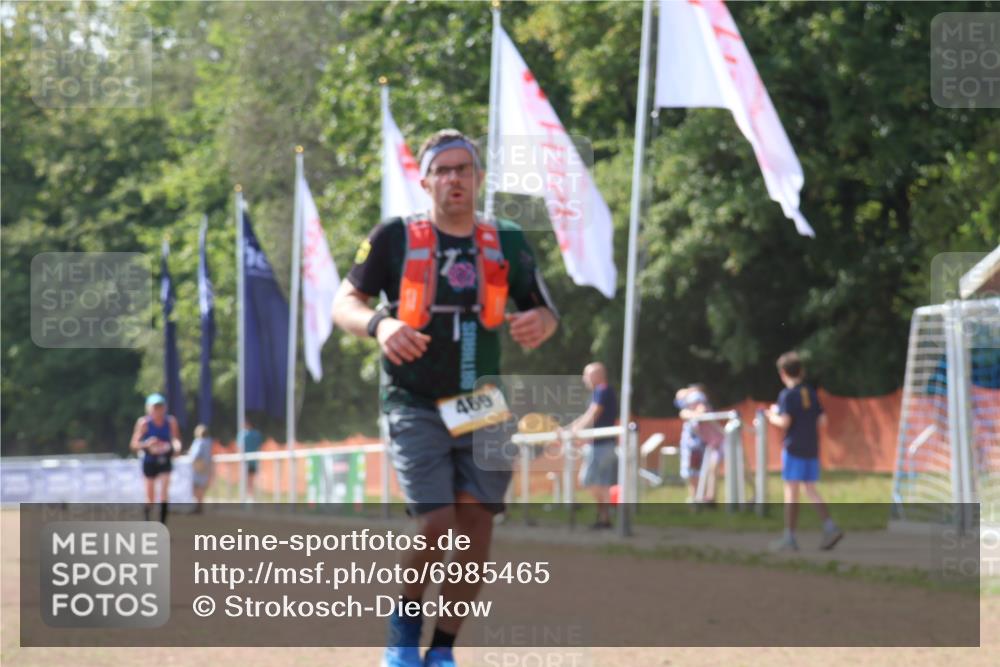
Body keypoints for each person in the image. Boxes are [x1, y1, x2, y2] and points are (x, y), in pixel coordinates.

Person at [332, 129, 559, 667]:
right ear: (426, 179)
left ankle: (443, 650)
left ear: (478, 179)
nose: (455, 178)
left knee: (477, 520)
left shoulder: (506, 239)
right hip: (413, 401)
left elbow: (546, 309)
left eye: (464, 169)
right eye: (445, 170)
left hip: (482, 401)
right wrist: (379, 326)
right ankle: (403, 629)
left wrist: (539, 324)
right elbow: (344, 301)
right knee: (436, 523)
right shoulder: (394, 237)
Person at [765, 351, 843, 551]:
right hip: (811, 448)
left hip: (793, 449)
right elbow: (822, 420)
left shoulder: (787, 395)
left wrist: (771, 415)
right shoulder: (810, 392)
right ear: (802, 371)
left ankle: (789, 537)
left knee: (791, 492)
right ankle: (830, 526)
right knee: (810, 489)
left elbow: (785, 421)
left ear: (783, 373)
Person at [565, 362, 618, 529]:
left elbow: (593, 414)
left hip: (601, 446)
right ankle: (604, 518)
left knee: (590, 481)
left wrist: (575, 431)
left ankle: (605, 515)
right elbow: (588, 415)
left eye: (586, 374)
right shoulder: (600, 392)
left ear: (597, 375)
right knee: (600, 483)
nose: (584, 379)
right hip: (602, 445)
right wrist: (570, 429)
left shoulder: (602, 390)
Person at [129, 393, 182, 523]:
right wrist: (147, 444)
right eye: (155, 407)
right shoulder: (144, 423)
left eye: (160, 406)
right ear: (149, 408)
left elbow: (176, 439)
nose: (158, 410)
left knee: (164, 492)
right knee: (150, 496)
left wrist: (177, 447)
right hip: (149, 461)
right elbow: (134, 445)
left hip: (164, 459)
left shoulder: (170, 421)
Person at [674, 384, 724, 505]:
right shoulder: (686, 409)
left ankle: (706, 499)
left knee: (705, 472)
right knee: (692, 473)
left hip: (703, 445)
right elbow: (679, 398)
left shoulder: (703, 406)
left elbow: (702, 411)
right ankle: (695, 499)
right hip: (692, 446)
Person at [189, 424, 214, 512]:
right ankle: (200, 505)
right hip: (207, 467)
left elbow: (195, 455)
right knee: (202, 487)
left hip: (198, 467)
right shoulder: (210, 442)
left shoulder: (199, 442)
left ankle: (198, 506)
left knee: (197, 487)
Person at [237, 419, 264, 501]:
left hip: (247, 461)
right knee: (250, 480)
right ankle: (251, 496)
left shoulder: (243, 434)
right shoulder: (256, 434)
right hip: (254, 461)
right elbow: (260, 446)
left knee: (248, 480)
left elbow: (240, 447)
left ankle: (249, 497)